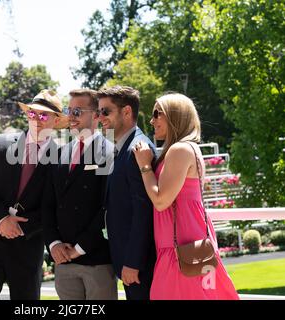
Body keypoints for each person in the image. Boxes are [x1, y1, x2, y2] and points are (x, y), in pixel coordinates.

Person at [132, 93, 239, 300]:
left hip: (182, 248)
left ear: (175, 115)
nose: (152, 120)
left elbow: (161, 201)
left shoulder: (180, 149)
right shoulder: (185, 148)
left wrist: (144, 165)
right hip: (187, 245)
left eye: (157, 114)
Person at [0, 89, 68, 300]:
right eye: (32, 113)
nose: (37, 120)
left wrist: (20, 227)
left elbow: (57, 203)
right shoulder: (1, 144)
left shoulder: (62, 156)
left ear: (56, 119)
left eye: (43, 115)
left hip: (28, 248)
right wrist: (3, 219)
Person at [42, 89, 117, 300]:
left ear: (96, 115)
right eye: (69, 110)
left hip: (96, 260)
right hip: (63, 260)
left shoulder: (110, 153)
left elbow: (107, 207)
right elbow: (48, 203)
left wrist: (79, 248)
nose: (71, 116)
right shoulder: (59, 153)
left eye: (77, 111)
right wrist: (54, 244)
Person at [97, 85, 157, 300]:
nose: (100, 117)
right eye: (98, 112)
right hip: (130, 264)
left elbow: (145, 211)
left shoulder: (137, 149)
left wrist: (133, 262)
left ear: (127, 112)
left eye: (105, 111)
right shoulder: (123, 148)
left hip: (140, 267)